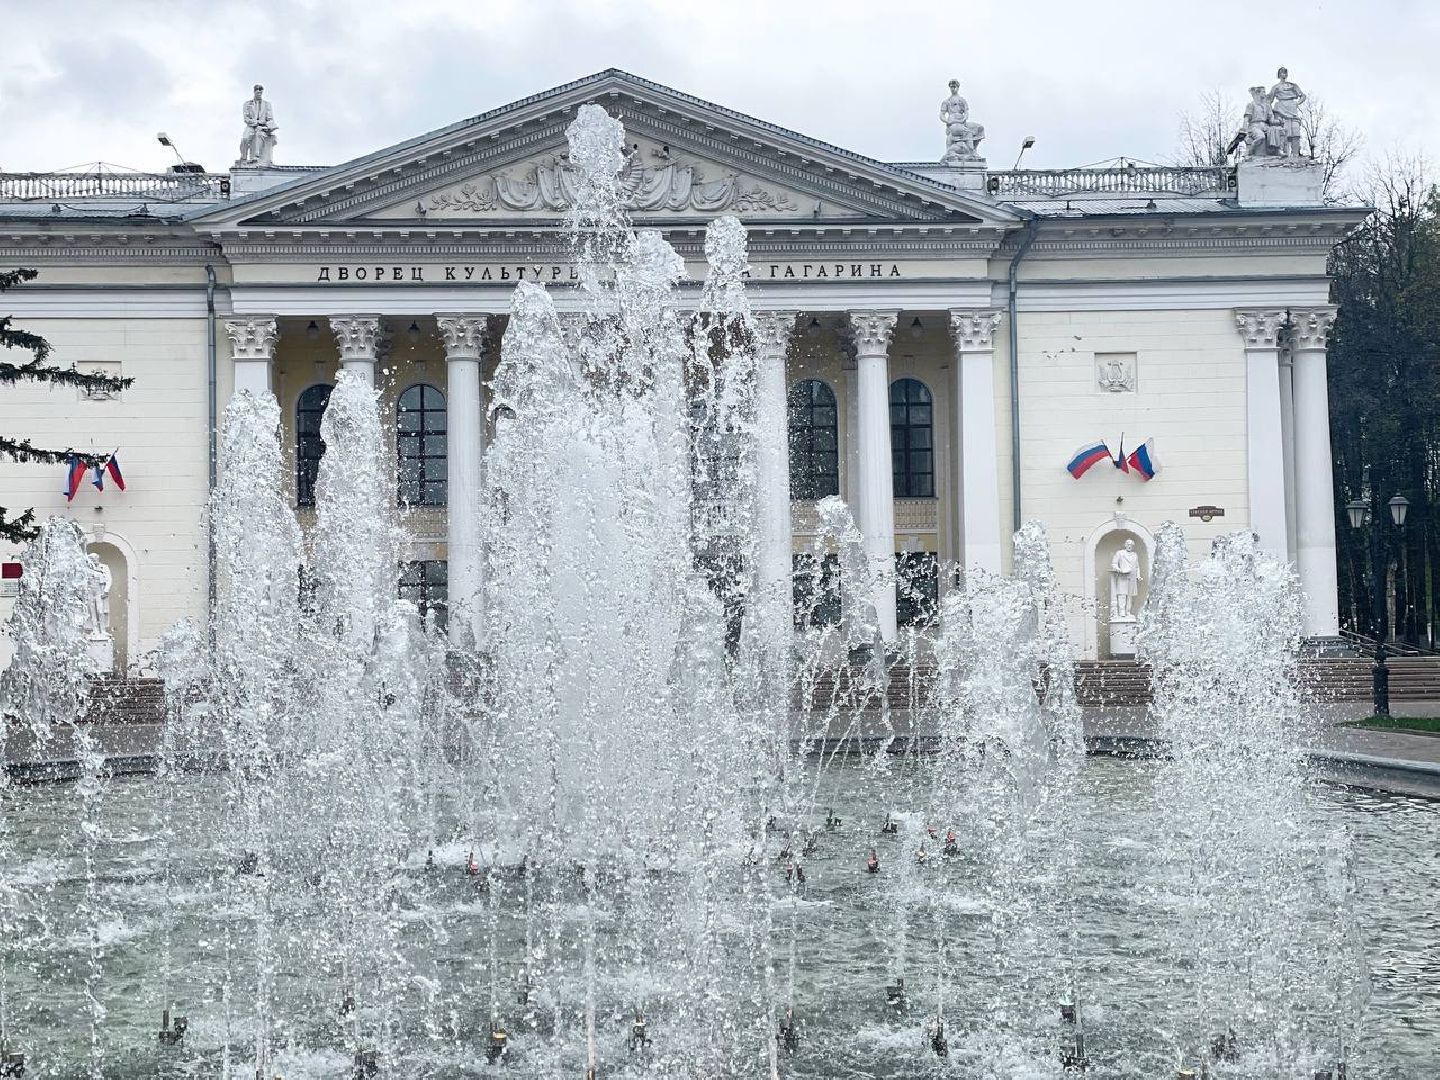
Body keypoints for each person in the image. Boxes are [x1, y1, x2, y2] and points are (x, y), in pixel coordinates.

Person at [939, 79, 985, 163]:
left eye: (955, 87)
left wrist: (964, 118)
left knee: (980, 128)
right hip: (953, 124)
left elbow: (966, 113)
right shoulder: (946, 101)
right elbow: (942, 115)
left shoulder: (962, 100)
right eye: (952, 87)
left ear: (958, 87)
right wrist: (947, 121)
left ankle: (973, 150)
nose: (953, 89)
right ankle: (971, 152)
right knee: (967, 132)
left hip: (963, 122)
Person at [1267, 68, 1308, 158]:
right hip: (1280, 108)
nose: (1284, 74)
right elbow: (1269, 100)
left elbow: (1303, 96)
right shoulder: (1275, 87)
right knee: (1283, 132)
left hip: (1292, 108)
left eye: (1285, 72)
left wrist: (1297, 103)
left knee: (1295, 131)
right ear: (1279, 74)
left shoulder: (1293, 85)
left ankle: (1296, 154)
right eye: (1282, 73)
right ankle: (1284, 153)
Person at [238, 84, 278, 167]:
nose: (259, 91)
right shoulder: (247, 104)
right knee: (245, 139)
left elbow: (270, 118)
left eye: (261, 90)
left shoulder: (267, 104)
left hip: (262, 126)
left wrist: (266, 126)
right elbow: (246, 119)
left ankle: (256, 157)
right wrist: (256, 123)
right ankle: (243, 158)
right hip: (251, 126)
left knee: (259, 134)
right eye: (257, 90)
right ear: (254, 91)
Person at [1109, 539, 1142, 619]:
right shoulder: (1120, 553)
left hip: (1132, 577)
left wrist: (1138, 576)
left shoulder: (1135, 555)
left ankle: (1128, 611)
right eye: (1128, 544)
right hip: (1123, 576)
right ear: (1125, 545)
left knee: (1130, 595)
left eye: (1131, 544)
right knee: (1122, 594)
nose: (1129, 546)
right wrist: (1120, 570)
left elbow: (1137, 567)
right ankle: (1122, 612)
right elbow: (1114, 564)